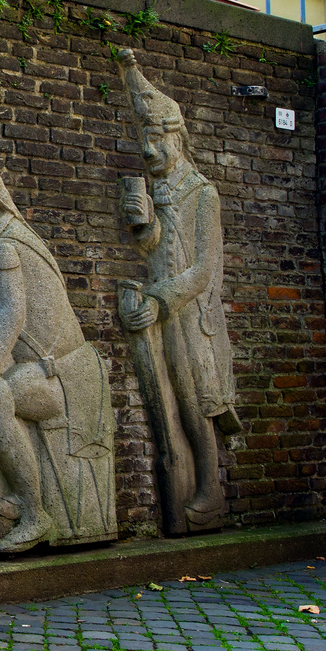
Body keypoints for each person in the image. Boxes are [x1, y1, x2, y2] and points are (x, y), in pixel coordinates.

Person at [0, 159, 107, 553]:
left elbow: (5, 316)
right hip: (50, 371)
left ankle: (33, 514)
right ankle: (21, 497)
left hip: (67, 378)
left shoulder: (3, 247)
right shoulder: (2, 237)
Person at [115, 50, 241, 527]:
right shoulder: (161, 189)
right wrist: (145, 226)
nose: (149, 150)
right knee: (172, 396)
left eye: (156, 138)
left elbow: (204, 269)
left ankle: (210, 489)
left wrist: (160, 299)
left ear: (177, 138)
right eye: (144, 138)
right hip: (164, 311)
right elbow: (157, 250)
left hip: (193, 316)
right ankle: (192, 486)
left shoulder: (202, 193)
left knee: (196, 401)